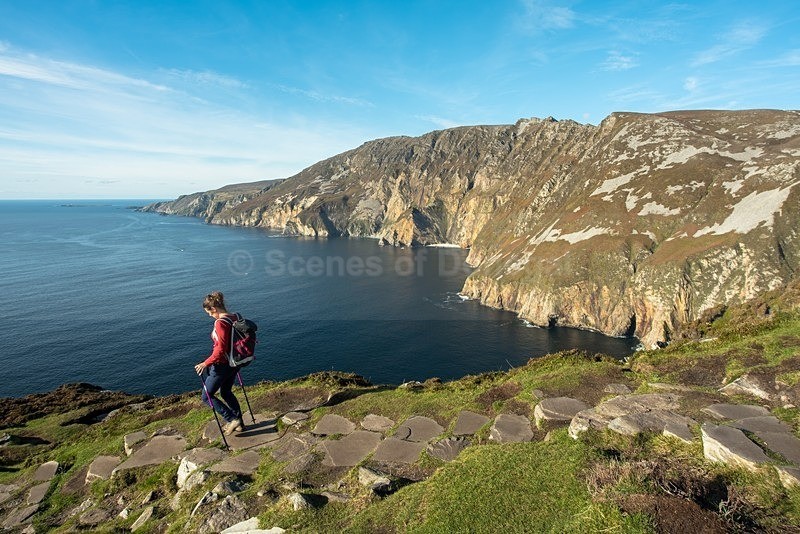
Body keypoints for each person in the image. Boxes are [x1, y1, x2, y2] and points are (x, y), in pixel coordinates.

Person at [195, 291, 245, 435]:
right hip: (234, 362)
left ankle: (231, 419)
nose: (210, 316)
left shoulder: (220, 323)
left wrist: (205, 363)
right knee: (226, 392)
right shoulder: (236, 316)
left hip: (221, 365)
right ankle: (239, 423)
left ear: (214, 309)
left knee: (207, 396)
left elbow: (220, 349)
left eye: (209, 313)